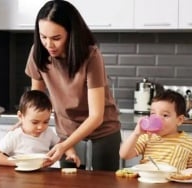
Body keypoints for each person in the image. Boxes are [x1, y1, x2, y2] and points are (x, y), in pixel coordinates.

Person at [23, 0, 121, 171]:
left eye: (56, 38)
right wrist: (25, 123)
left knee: (104, 183)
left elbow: (96, 116)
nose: (48, 45)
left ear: (71, 33)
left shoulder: (91, 55)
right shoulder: (38, 52)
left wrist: (63, 145)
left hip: (103, 131)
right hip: (66, 131)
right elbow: (36, 102)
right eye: (43, 37)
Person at [0, 90, 80, 167]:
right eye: (35, 122)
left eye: (46, 122)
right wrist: (18, 163)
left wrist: (71, 153)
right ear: (20, 116)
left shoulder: (48, 132)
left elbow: (61, 144)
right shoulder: (14, 136)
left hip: (42, 175)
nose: (41, 127)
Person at [119, 90, 192, 170]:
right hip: (147, 182)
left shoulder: (189, 143)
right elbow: (124, 155)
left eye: (165, 115)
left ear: (179, 120)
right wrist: (136, 134)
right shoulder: (147, 137)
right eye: (153, 114)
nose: (157, 119)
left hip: (174, 184)